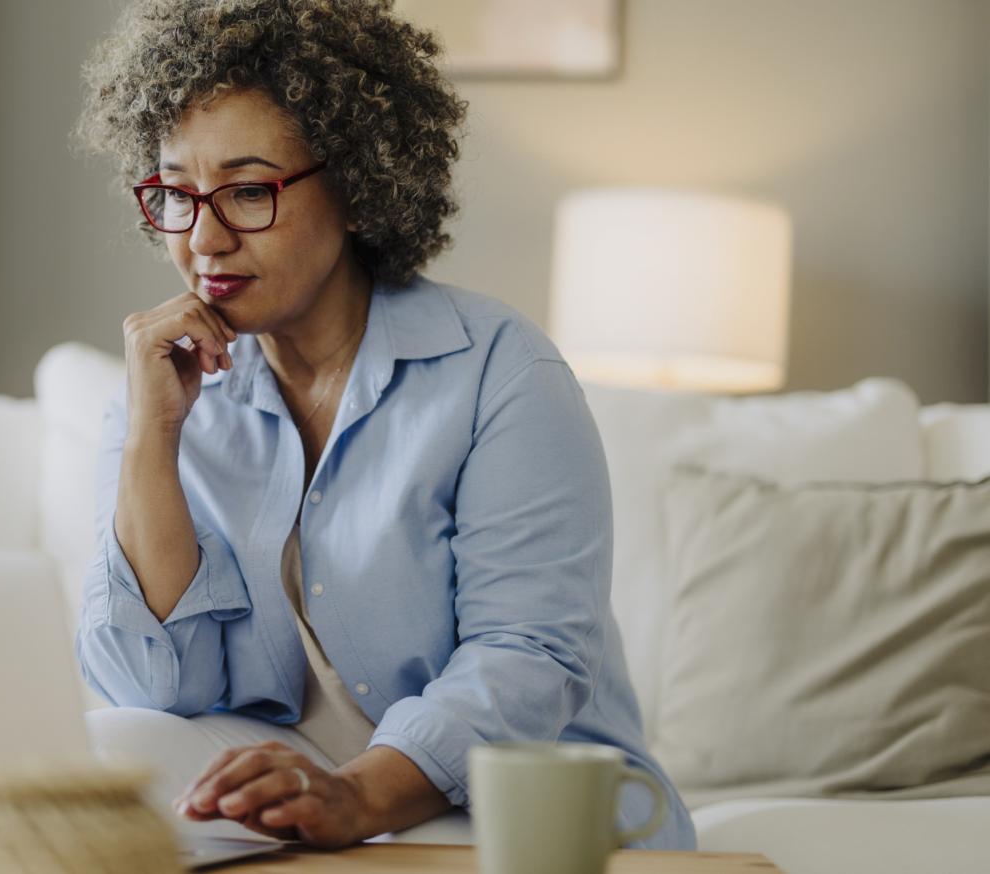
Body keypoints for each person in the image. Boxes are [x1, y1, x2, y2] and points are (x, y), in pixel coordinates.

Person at [73, 0, 695, 850]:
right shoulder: (162, 389)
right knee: (112, 753)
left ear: (361, 188)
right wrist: (154, 435)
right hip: (297, 774)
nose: (205, 238)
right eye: (177, 194)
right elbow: (153, 687)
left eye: (248, 190)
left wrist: (354, 799)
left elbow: (526, 661)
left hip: (511, 796)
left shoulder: (501, 371)